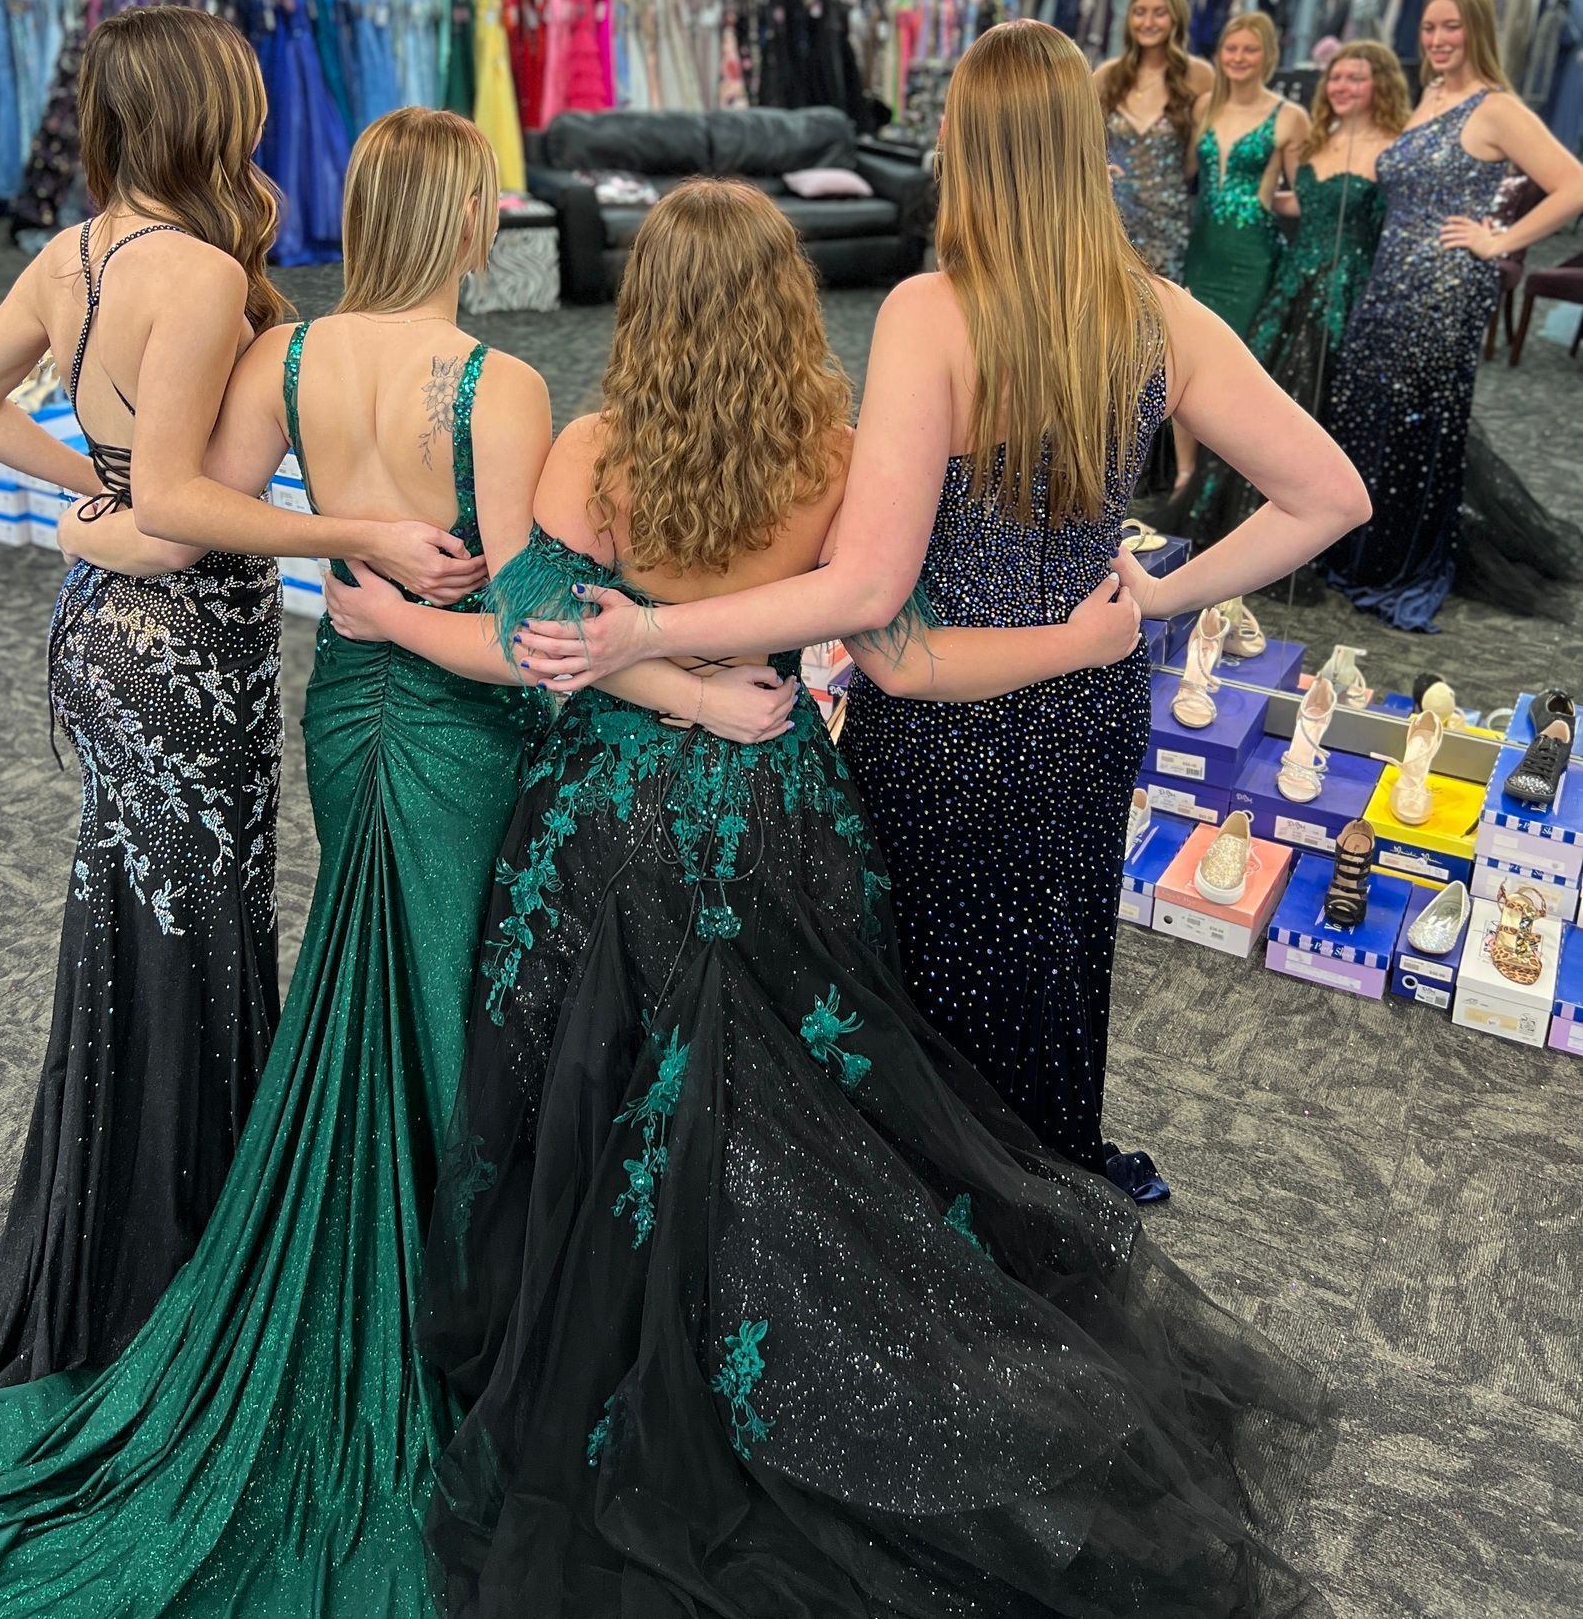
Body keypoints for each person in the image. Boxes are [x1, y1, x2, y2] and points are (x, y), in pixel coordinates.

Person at [0, 112, 791, 1619]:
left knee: (372, 968)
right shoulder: (497, 387)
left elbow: (187, 517)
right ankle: (458, 1314)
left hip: (347, 705)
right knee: (450, 993)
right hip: (454, 720)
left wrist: (150, 531)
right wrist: (687, 690)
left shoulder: (281, 360)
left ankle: (396, 1262)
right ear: (461, 225)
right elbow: (523, 630)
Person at [419, 171, 1340, 1617]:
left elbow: (541, 635)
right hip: (781, 806)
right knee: (800, 1094)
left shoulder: (588, 450)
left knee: (589, 1086)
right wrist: (1085, 641)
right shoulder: (834, 459)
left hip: (606, 817)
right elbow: (893, 645)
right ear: (796, 308)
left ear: (642, 308)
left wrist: (661, 681)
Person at [515, 26, 1366, 1166]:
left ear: (971, 147)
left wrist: (652, 627)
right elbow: (1330, 494)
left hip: (943, 723)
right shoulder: (1160, 315)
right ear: (1081, 150)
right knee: (1061, 952)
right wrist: (1157, 600)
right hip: (1089, 700)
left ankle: (966, 1225)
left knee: (932, 994)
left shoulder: (935, 313)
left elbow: (870, 594)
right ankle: (1051, 1168)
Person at [0, 8, 476, 1393]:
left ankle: (127, 1223)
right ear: (208, 113)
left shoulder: (75, 249)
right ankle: (171, 1254)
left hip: (102, 634)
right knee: (197, 919)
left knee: (135, 906)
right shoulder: (202, 276)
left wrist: (77, 493)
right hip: (177, 639)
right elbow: (174, 514)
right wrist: (356, 538)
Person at [1323, 0, 1583, 630]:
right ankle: (1361, 549)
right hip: (1388, 282)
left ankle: (1395, 561)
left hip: (1442, 290)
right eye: (1429, 29)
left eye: (1450, 28)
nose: (1436, 40)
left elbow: (1571, 184)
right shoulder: (1429, 96)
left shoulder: (1494, 107)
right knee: (1370, 413)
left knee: (1414, 425)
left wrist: (1499, 240)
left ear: (1477, 32)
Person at [1188, 40, 1409, 544]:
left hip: (1347, 290)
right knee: (1265, 400)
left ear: (1382, 84)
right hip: (1294, 279)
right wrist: (1261, 201)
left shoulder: (1393, 147)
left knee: (1320, 399)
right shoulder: (1321, 139)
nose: (1342, 87)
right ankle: (1247, 521)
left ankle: (1321, 518)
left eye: (1356, 78)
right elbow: (1311, 205)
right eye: (1336, 78)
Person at [1182, 11, 1309, 349]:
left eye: (1249, 50)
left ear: (1269, 55)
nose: (1238, 58)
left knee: (1240, 351)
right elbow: (1184, 172)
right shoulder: (1204, 107)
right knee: (1196, 346)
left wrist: (1267, 203)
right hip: (1203, 249)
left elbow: (1307, 197)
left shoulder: (1290, 117)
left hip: (1253, 254)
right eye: (1231, 48)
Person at [1095, 0, 1213, 280]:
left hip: (1169, 219)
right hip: (1110, 217)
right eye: (1140, 12)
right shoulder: (1107, 75)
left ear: (1176, 18)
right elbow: (1081, 139)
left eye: (1159, 13)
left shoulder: (1199, 76)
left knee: (1164, 313)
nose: (1148, 22)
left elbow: (1202, 154)